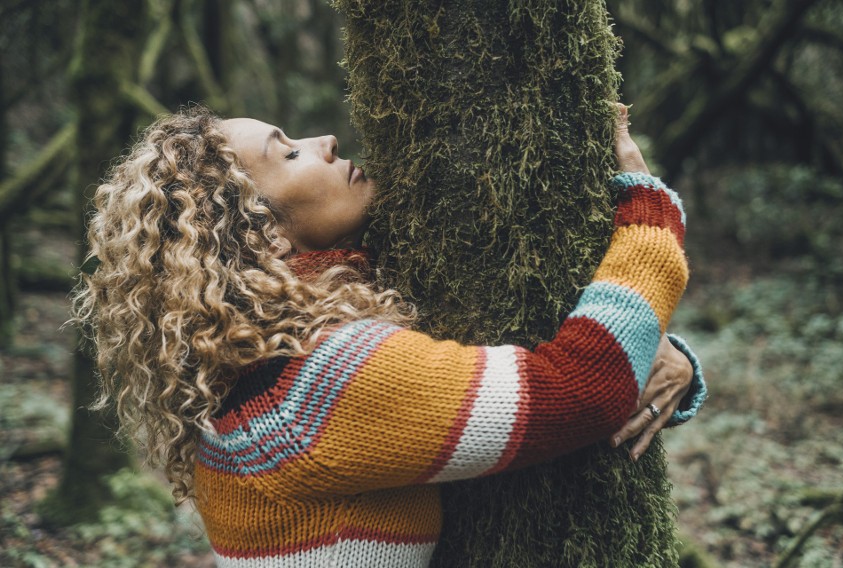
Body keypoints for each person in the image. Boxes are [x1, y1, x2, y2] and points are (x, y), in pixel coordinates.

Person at [73, 103, 706, 567]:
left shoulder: (261, 366)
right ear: (259, 232)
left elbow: (440, 381)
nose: (323, 140)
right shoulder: (311, 386)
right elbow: (580, 389)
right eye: (288, 153)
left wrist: (661, 349)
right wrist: (651, 217)